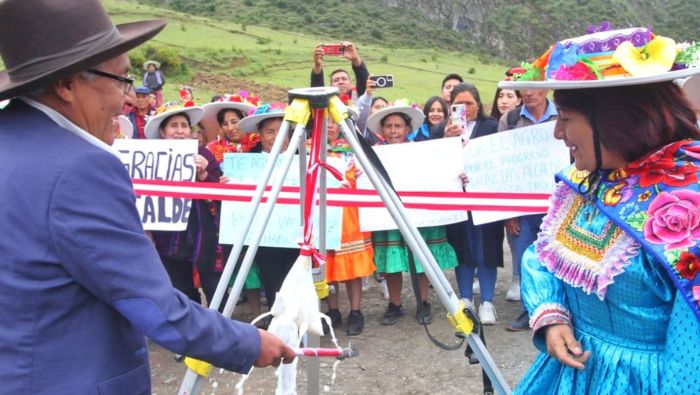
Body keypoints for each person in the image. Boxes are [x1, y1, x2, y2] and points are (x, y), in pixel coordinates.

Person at [0, 1, 294, 392]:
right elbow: (152, 304)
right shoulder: (81, 169)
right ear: (67, 85)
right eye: (122, 80)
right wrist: (248, 342)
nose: (128, 99)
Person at [501, 28, 700, 394]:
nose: (558, 133)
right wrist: (552, 315)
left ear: (615, 120)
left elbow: (692, 350)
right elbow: (545, 255)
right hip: (575, 370)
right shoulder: (585, 182)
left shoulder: (689, 202)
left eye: (565, 118)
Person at [366, 104, 458, 325]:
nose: (393, 130)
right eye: (388, 126)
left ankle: (423, 302)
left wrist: (456, 175)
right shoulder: (373, 153)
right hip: (387, 215)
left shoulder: (420, 150)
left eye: (398, 125)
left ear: (408, 128)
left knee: (421, 260)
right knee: (391, 262)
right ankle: (394, 304)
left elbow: (439, 172)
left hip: (418, 214)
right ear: (382, 130)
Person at [443, 82, 505, 324]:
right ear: (451, 107)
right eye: (459, 104)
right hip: (457, 201)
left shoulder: (491, 128)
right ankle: (465, 299)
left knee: (486, 248)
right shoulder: (442, 130)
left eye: (470, 103)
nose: (465, 108)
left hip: (485, 200)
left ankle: (487, 301)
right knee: (462, 248)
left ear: (479, 105)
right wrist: (446, 140)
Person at [499, 84, 558, 331]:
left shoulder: (561, 115)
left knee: (557, 258)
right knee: (524, 257)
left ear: (546, 89)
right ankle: (528, 311)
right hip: (522, 206)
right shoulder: (510, 119)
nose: (528, 93)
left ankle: (556, 310)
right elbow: (500, 163)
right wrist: (508, 212)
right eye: (524, 88)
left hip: (557, 203)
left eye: (534, 88)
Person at [237, 103, 300, 307]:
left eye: (281, 131)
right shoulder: (246, 164)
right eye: (269, 131)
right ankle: (278, 331)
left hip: (296, 236)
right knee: (272, 285)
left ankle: (301, 331)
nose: (275, 137)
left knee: (297, 283)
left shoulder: (303, 161)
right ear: (260, 135)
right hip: (265, 237)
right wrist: (229, 186)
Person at [320, 117, 376, 336]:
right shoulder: (308, 152)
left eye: (333, 122)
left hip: (350, 216)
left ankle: (355, 311)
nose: (330, 126)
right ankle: (332, 310)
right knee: (328, 268)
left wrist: (362, 176)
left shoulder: (354, 151)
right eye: (324, 122)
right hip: (324, 216)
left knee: (353, 268)